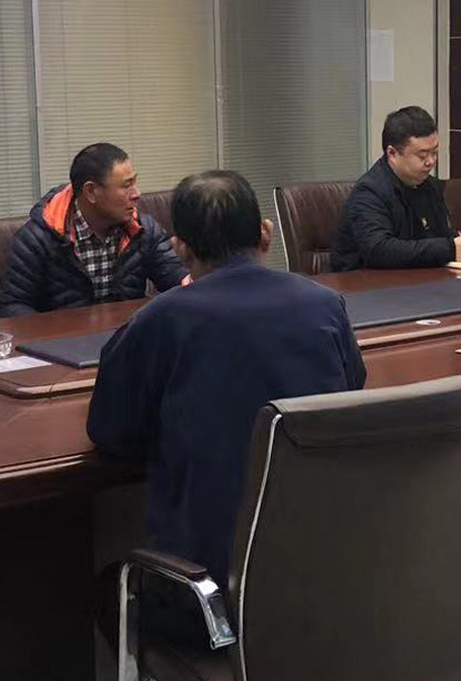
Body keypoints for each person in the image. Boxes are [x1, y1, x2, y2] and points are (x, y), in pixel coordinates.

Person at [88, 170, 366, 588]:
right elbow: (351, 391)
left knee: (110, 578)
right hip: (321, 569)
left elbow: (111, 433)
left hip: (206, 584)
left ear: (180, 249)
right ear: (265, 234)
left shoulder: (160, 320)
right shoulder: (325, 306)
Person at [0, 143, 187, 318]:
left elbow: (176, 278)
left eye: (135, 182)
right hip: (65, 341)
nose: (137, 194)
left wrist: (192, 282)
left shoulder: (142, 229)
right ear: (91, 192)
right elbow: (11, 305)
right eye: (126, 186)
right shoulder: (39, 238)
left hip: (127, 338)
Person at [331, 106, 461, 271]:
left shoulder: (430, 186)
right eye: (422, 155)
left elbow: (439, 235)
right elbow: (378, 250)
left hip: (419, 279)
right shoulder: (369, 192)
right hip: (364, 282)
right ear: (392, 153)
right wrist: (447, 249)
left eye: (434, 153)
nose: (431, 162)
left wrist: (457, 242)